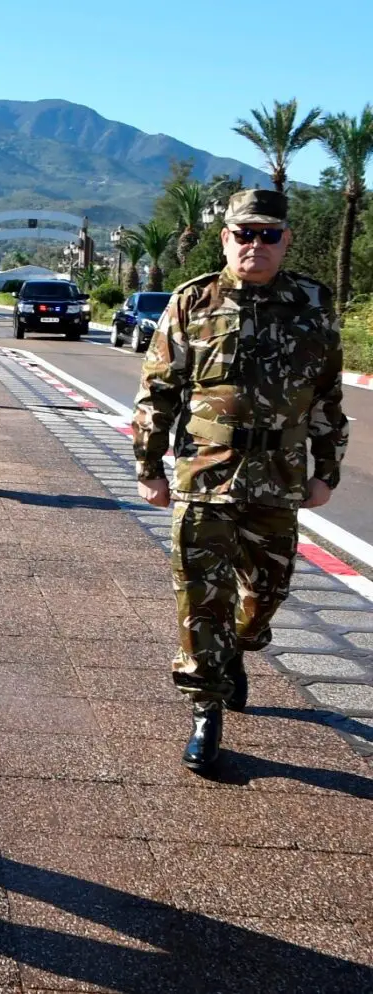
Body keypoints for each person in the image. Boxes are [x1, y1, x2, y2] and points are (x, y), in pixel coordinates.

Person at [133, 188, 349, 772]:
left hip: (277, 479)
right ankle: (206, 711)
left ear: (286, 240)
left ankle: (238, 649)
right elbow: (159, 391)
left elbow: (327, 394)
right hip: (205, 477)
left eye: (268, 234)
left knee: (267, 594)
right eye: (244, 233)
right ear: (225, 237)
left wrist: (325, 471)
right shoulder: (193, 301)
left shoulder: (312, 302)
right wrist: (149, 467)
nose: (255, 244)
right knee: (200, 598)